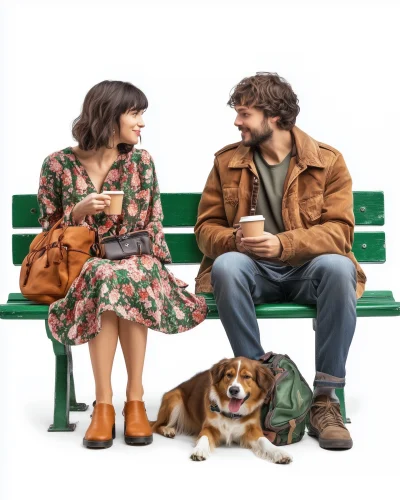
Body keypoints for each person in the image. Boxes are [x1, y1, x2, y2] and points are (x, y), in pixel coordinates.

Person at [194, 72, 367, 450]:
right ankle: (264, 388)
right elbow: (205, 228)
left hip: (307, 270)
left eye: (244, 114)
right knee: (226, 265)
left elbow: (340, 232)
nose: (237, 122)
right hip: (252, 271)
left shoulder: (327, 161)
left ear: (274, 116)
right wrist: (232, 240)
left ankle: (325, 400)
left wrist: (283, 245)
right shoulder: (227, 162)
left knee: (340, 267)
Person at [38, 80, 207, 449]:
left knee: (124, 275)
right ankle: (104, 405)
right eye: (135, 113)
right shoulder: (57, 165)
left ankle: (132, 400)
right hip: (84, 269)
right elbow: (47, 236)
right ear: (108, 115)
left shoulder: (140, 162)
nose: (142, 122)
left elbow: (153, 223)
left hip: (136, 264)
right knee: (103, 275)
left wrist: (155, 266)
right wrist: (77, 213)